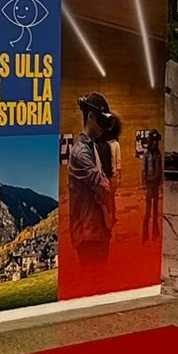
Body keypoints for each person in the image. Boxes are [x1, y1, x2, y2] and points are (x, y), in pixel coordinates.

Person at [69, 92, 115, 268]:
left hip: (97, 230)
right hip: (89, 234)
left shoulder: (91, 147)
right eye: (100, 121)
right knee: (94, 274)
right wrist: (103, 191)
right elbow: (104, 187)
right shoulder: (81, 152)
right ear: (90, 117)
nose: (103, 128)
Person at [142, 129, 164, 243]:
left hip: (156, 183)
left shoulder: (158, 154)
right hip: (149, 183)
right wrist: (144, 184)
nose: (155, 143)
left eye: (156, 141)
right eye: (153, 141)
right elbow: (144, 169)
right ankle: (145, 237)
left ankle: (155, 233)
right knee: (147, 212)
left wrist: (160, 182)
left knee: (155, 211)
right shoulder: (147, 154)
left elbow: (160, 168)